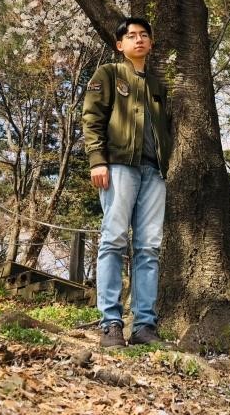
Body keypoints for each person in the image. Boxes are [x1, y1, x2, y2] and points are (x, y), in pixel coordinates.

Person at [82, 17, 172, 348]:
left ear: (151, 43)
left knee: (149, 247)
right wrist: (97, 160)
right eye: (131, 36)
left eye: (144, 35)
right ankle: (111, 324)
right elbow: (92, 117)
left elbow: (165, 130)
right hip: (119, 166)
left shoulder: (158, 87)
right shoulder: (108, 74)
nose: (138, 39)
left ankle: (144, 326)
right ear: (120, 45)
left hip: (154, 172)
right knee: (113, 239)